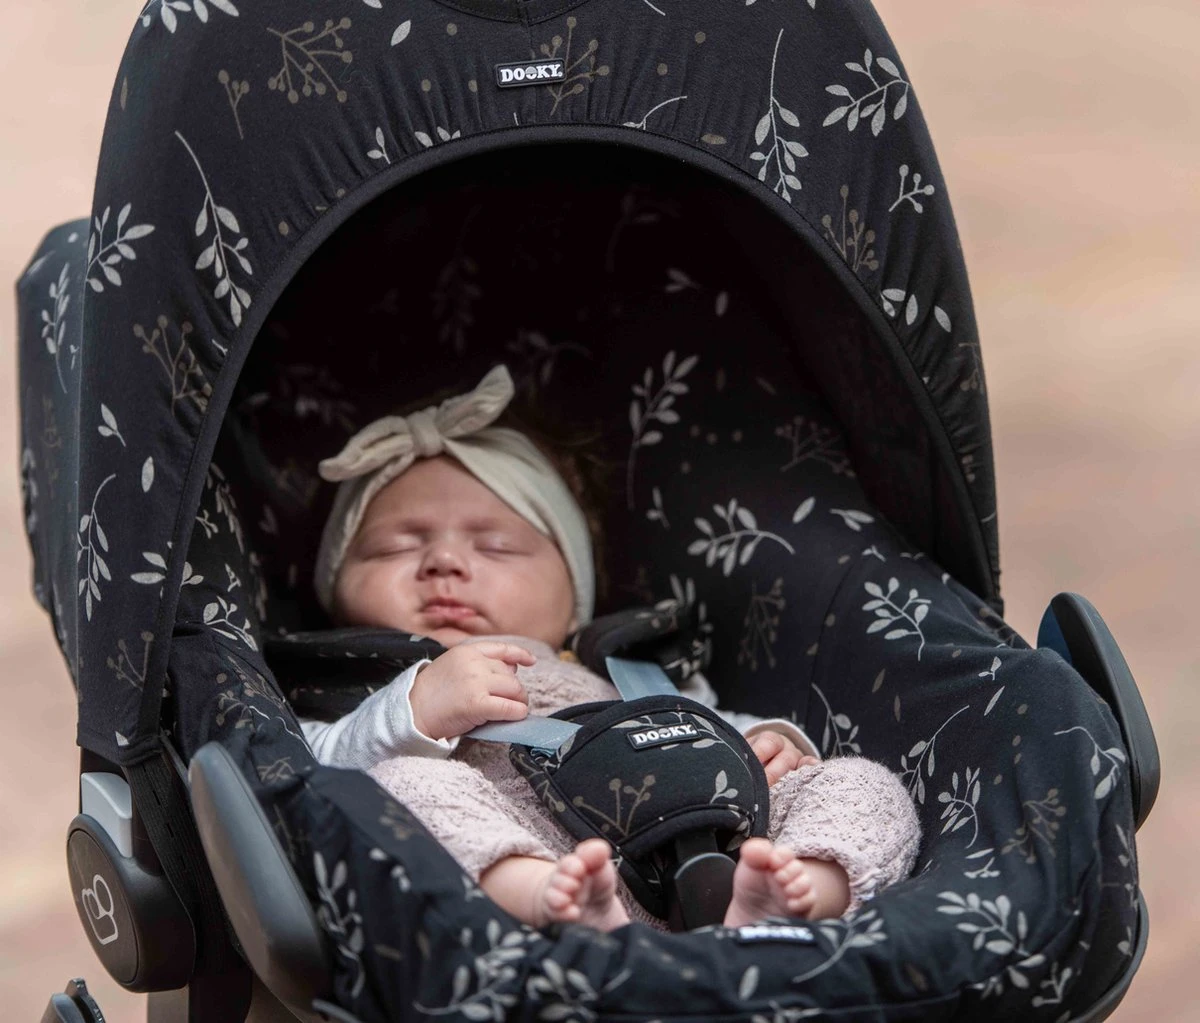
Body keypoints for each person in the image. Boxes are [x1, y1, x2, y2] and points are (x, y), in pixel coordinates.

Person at [301, 365, 920, 931]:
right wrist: (411, 713)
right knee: (401, 787)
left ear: (575, 594)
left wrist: (766, 746)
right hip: (539, 861)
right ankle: (548, 901)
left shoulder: (628, 666)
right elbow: (310, 775)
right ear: (334, 591)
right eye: (394, 547)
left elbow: (712, 725)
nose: (443, 562)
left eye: (495, 547)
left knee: (860, 783)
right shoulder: (346, 688)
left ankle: (790, 896)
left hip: (716, 850)